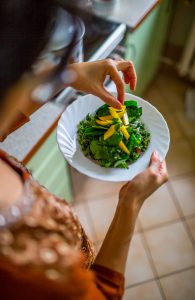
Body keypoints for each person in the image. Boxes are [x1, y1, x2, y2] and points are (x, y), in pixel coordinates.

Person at [0, 1, 168, 299]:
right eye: (35, 69)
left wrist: (73, 74)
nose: (43, 79)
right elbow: (102, 295)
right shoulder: (21, 268)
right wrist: (130, 204)